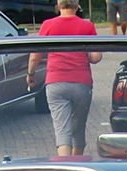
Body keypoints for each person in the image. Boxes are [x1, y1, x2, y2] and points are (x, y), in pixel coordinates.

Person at [27, 0, 101, 157]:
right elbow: (95, 57)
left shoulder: (48, 25)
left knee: (62, 130)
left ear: (59, 5)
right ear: (77, 5)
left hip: (55, 82)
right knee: (78, 129)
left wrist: (30, 74)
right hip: (82, 83)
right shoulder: (87, 26)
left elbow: (35, 56)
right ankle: (79, 167)